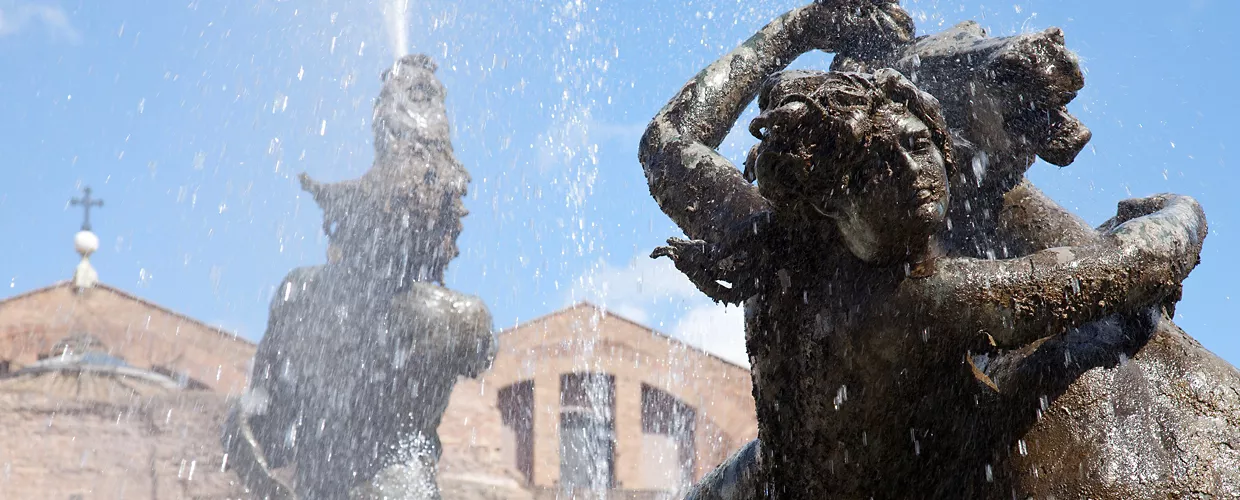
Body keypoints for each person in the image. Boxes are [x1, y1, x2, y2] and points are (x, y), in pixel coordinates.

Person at [638, 4, 1208, 497]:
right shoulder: (932, 296)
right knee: (1086, 345)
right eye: (885, 164)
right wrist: (1183, 212)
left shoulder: (770, 239)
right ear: (836, 195)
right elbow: (1135, 265)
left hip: (790, 481)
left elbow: (667, 140)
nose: (916, 173)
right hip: (911, 484)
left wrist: (801, 26)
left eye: (919, 144)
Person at [221, 54, 496, 500]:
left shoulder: (300, 294)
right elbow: (480, 355)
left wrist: (240, 426)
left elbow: (269, 430)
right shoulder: (465, 320)